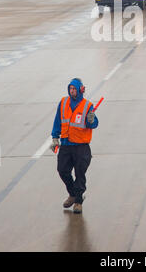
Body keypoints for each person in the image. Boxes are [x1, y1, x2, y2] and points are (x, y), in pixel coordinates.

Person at [50, 78, 99, 214]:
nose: (72, 91)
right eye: (70, 88)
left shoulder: (87, 105)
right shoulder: (64, 102)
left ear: (81, 90)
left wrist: (91, 120)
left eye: (74, 89)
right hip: (66, 145)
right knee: (62, 170)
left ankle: (78, 201)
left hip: (81, 147)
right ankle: (72, 194)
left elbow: (93, 124)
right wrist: (55, 137)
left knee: (79, 173)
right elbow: (58, 120)